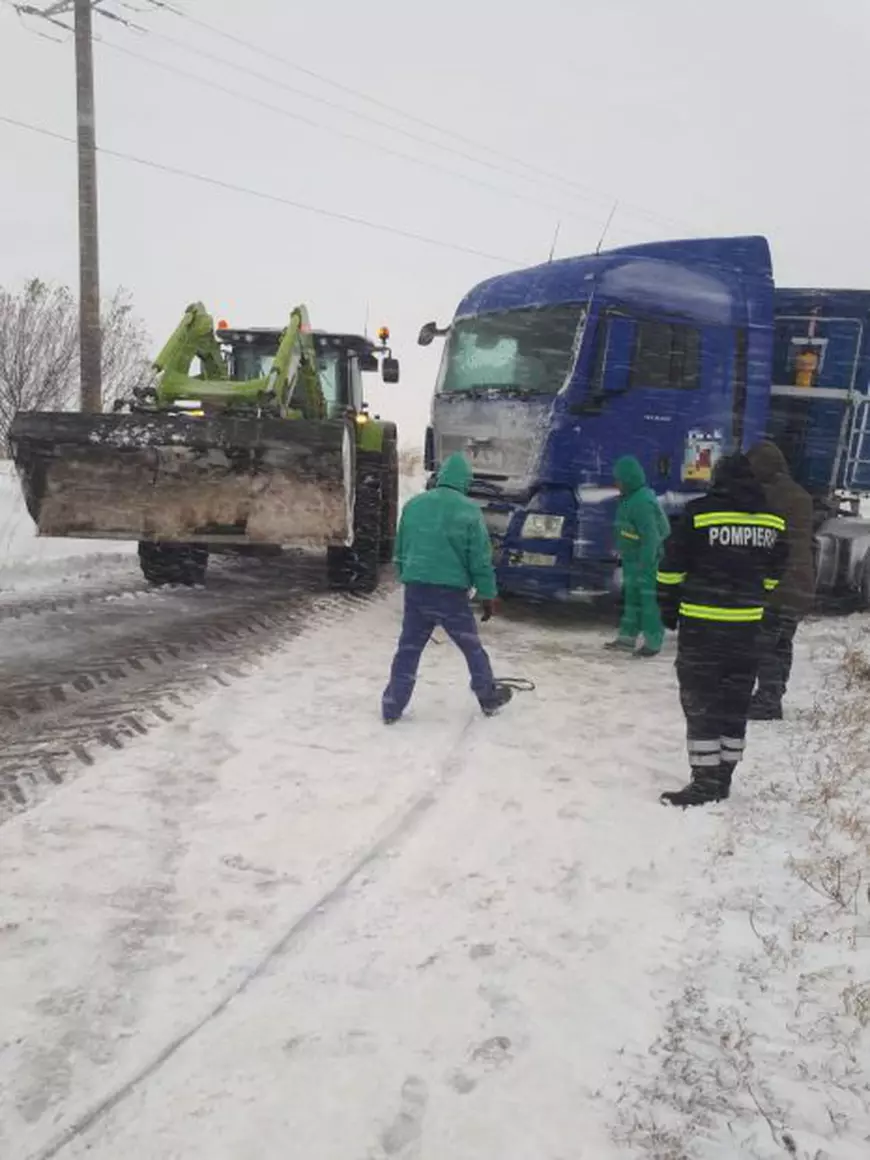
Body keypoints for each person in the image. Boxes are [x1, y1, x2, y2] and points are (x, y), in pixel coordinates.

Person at [656, 453, 788, 807]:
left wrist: (668, 609)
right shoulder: (773, 521)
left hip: (703, 629)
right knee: (734, 703)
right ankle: (724, 776)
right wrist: (757, 593)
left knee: (700, 703)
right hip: (747, 630)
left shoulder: (700, 514)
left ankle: (704, 782)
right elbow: (777, 568)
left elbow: (671, 568)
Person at [382, 453, 513, 723]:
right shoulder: (468, 511)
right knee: (471, 647)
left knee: (408, 648)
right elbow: (479, 558)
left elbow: (400, 550)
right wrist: (488, 594)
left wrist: (407, 576)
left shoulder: (415, 505)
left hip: (417, 589)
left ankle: (392, 705)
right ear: (465, 481)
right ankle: (487, 696)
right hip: (451, 594)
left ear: (440, 477)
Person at [746, 441, 815, 720]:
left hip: (779, 582)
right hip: (802, 580)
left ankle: (767, 701)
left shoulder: (766, 496)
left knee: (766, 644)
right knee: (782, 642)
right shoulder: (800, 494)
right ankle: (773, 695)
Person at [605, 455, 671, 657]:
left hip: (648, 561)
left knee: (649, 601)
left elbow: (651, 537)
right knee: (632, 599)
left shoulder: (642, 502)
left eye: (619, 480)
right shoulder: (629, 499)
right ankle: (627, 637)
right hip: (633, 558)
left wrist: (647, 563)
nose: (616, 484)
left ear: (629, 479)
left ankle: (653, 642)